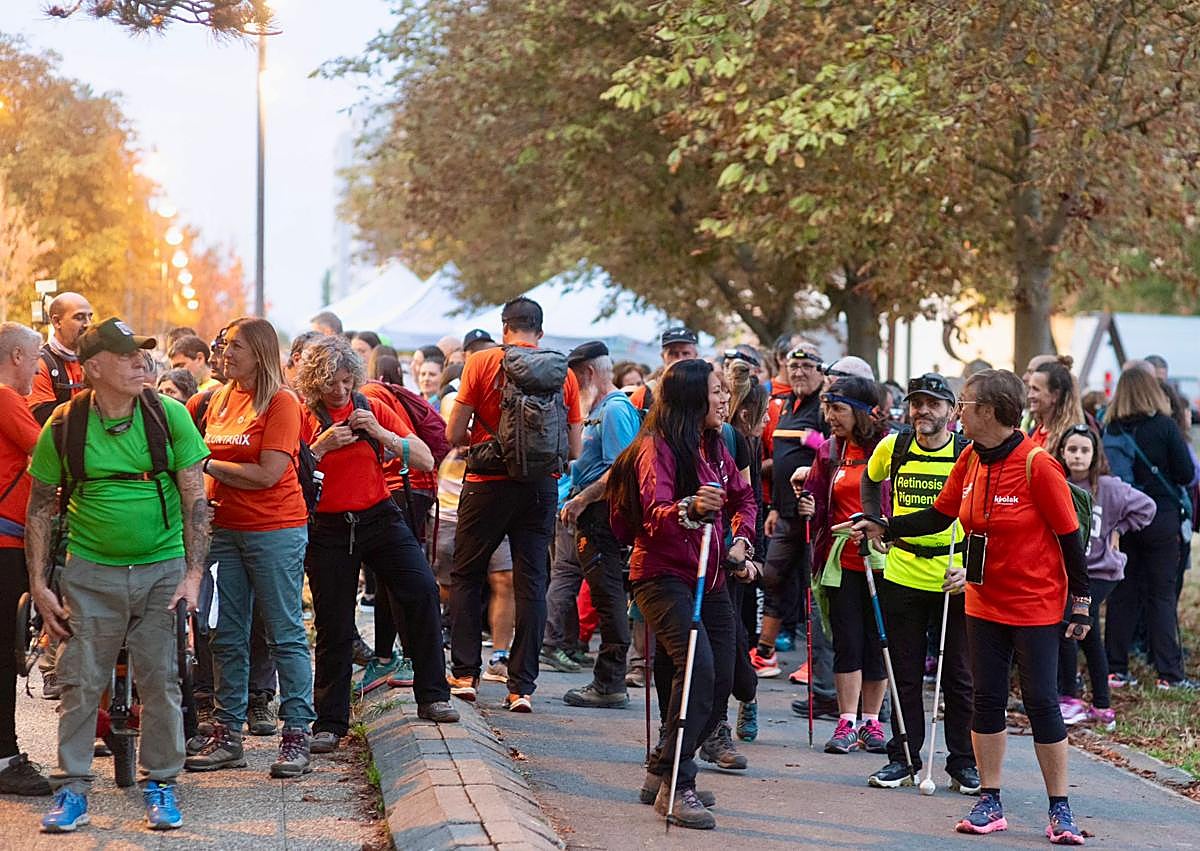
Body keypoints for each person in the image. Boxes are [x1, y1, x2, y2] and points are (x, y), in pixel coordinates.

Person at [845, 369, 1092, 845]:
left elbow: (1069, 537)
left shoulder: (1037, 464)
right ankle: (990, 800)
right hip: (982, 599)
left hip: (1035, 605)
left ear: (991, 411)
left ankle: (1060, 808)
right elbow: (941, 514)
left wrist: (1080, 601)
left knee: (1042, 703)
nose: (958, 411)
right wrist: (886, 527)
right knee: (987, 699)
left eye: (966, 403)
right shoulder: (971, 459)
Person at [25, 317, 211, 832]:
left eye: (142, 353)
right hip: (90, 572)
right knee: (80, 681)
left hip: (161, 569)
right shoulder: (64, 424)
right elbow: (40, 506)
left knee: (161, 680)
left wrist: (193, 575)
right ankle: (73, 787)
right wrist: (39, 585)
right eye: (127, 354)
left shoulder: (169, 415)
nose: (140, 361)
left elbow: (196, 497)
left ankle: (161, 782)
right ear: (93, 367)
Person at [607, 358, 756, 830]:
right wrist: (690, 508)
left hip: (711, 578)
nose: (725, 399)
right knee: (699, 671)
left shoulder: (716, 444)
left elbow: (744, 498)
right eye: (716, 391)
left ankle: (660, 770)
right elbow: (655, 514)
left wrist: (741, 539)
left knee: (720, 676)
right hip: (662, 576)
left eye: (724, 390)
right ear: (692, 398)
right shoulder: (657, 447)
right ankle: (678, 784)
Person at [295, 335, 458, 750]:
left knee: (422, 589)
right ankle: (330, 723)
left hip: (379, 515)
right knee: (334, 623)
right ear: (314, 382)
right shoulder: (301, 414)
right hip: (328, 527)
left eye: (347, 381)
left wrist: (382, 434)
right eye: (331, 383)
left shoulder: (370, 406)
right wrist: (321, 447)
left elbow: (424, 457)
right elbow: (287, 473)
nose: (340, 390)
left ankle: (433, 695)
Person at [182, 317, 318, 778]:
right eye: (223, 345)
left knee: (283, 632)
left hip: (274, 529)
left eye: (234, 346)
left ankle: (296, 732)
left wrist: (206, 464)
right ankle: (227, 734)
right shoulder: (219, 397)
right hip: (224, 532)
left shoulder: (282, 401)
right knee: (225, 633)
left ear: (259, 352)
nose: (224, 353)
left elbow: (267, 473)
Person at [446, 297, 583, 711]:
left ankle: (465, 674)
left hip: (487, 483)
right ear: (539, 330)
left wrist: (484, 438)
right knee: (532, 583)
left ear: (504, 327)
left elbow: (453, 433)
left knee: (467, 575)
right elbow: (574, 449)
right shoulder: (564, 373)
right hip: (540, 488)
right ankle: (521, 687)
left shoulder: (481, 362)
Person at [859, 373, 979, 793]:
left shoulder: (967, 453)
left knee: (959, 676)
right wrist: (873, 519)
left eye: (933, 403)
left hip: (953, 576)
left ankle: (963, 762)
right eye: (916, 403)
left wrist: (972, 568)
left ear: (952, 410)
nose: (923, 411)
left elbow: (985, 514)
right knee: (903, 674)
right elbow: (870, 478)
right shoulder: (894, 446)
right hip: (903, 572)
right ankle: (904, 758)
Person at [802, 376, 891, 755]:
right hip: (841, 561)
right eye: (827, 409)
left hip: (885, 561)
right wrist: (807, 503)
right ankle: (846, 721)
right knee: (847, 641)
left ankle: (872, 721)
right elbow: (817, 497)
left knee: (877, 642)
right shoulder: (829, 450)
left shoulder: (889, 449)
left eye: (837, 409)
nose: (829, 417)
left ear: (862, 411)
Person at [552, 342, 641, 708]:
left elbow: (621, 470)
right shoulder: (599, 409)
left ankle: (609, 683)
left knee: (609, 598)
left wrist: (582, 499)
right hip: (591, 515)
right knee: (605, 596)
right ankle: (608, 680)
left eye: (573, 377)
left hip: (604, 515)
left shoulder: (615, 409)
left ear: (588, 373)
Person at [1101, 365, 1197, 690]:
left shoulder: (1111, 428)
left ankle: (1115, 668)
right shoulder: (1164, 426)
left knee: (1123, 593)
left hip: (1125, 519)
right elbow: (1186, 474)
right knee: (1161, 595)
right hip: (1161, 517)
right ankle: (1168, 672)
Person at [1055, 425, 1155, 728]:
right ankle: (1101, 705)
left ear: (1095, 454)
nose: (1078, 456)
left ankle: (1069, 698)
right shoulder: (1058, 484)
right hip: (1071, 571)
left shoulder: (1109, 487)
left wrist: (1119, 529)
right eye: (1072, 449)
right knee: (1089, 636)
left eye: (1085, 450)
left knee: (1068, 623)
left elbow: (1147, 507)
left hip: (1100, 571)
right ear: (1062, 452)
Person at [0, 323, 54, 796]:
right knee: (5, 654)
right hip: (7, 543)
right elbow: (47, 454)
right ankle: (4, 757)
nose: (38, 368)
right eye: (36, 359)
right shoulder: (5, 398)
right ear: (17, 355)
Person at [752, 342, 827, 681]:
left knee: (815, 588)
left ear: (820, 371)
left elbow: (837, 451)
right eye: (794, 366)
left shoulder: (824, 406)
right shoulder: (785, 405)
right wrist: (773, 508)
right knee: (772, 576)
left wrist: (815, 443)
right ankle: (765, 653)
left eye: (807, 366)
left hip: (815, 513)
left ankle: (817, 662)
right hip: (784, 512)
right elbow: (781, 460)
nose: (799, 372)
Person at [718, 360, 769, 747]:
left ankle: (746, 695)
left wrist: (747, 551)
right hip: (704, 548)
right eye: (764, 415)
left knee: (733, 636)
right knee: (722, 637)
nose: (767, 422)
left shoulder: (740, 442)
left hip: (733, 552)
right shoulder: (723, 435)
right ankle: (716, 718)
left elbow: (747, 502)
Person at [27, 292, 93, 426]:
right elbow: (45, 421)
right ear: (57, 322)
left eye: (90, 317)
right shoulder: (40, 364)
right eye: (79, 317)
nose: (88, 324)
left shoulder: (94, 360)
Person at [1027, 356, 1085, 455]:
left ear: (1055, 395)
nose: (1029, 395)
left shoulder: (1070, 439)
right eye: (1030, 388)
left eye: (1036, 389)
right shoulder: (1033, 432)